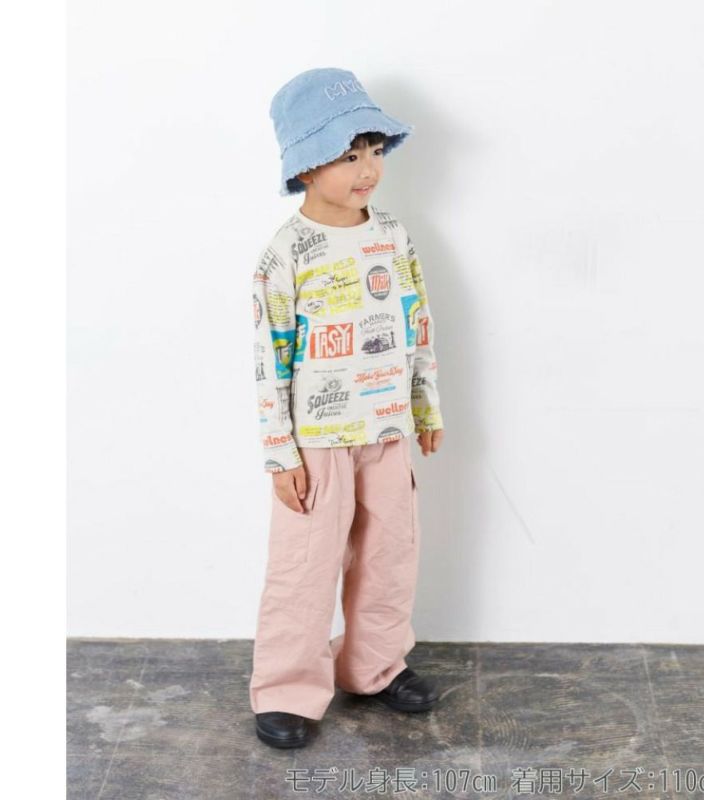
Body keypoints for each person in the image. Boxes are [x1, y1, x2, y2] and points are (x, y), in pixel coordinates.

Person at [249, 67, 445, 749]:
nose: (368, 169)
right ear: (306, 165)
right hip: (317, 442)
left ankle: (375, 665)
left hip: (387, 428)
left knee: (390, 555)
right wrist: (280, 452)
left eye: (374, 151)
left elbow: (416, 321)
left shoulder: (392, 235)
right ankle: (286, 690)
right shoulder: (285, 254)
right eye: (349, 154)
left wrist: (426, 406)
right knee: (304, 567)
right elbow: (270, 359)